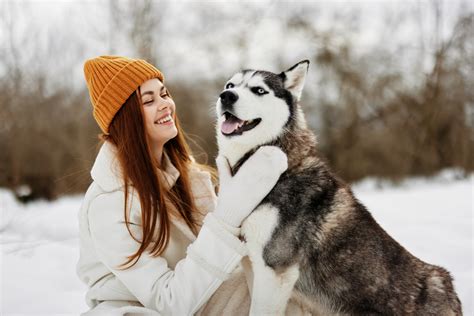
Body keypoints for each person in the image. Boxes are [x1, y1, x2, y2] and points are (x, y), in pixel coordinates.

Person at [76, 55, 289, 315]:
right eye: (149, 100)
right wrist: (226, 218)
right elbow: (169, 301)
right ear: (126, 118)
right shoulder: (109, 203)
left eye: (164, 94)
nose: (165, 105)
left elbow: (222, 267)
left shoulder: (189, 178)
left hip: (199, 300)